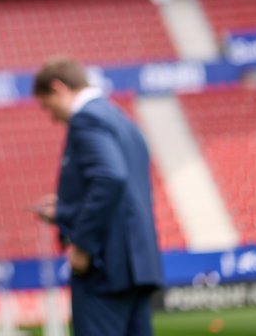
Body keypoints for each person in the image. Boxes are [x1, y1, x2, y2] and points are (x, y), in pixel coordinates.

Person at [31, 56, 163, 336]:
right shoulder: (123, 119)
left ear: (58, 88)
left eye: (48, 106)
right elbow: (122, 189)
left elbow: (110, 177)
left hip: (104, 269)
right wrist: (65, 209)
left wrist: (82, 245)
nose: (52, 117)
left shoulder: (86, 119)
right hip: (137, 266)